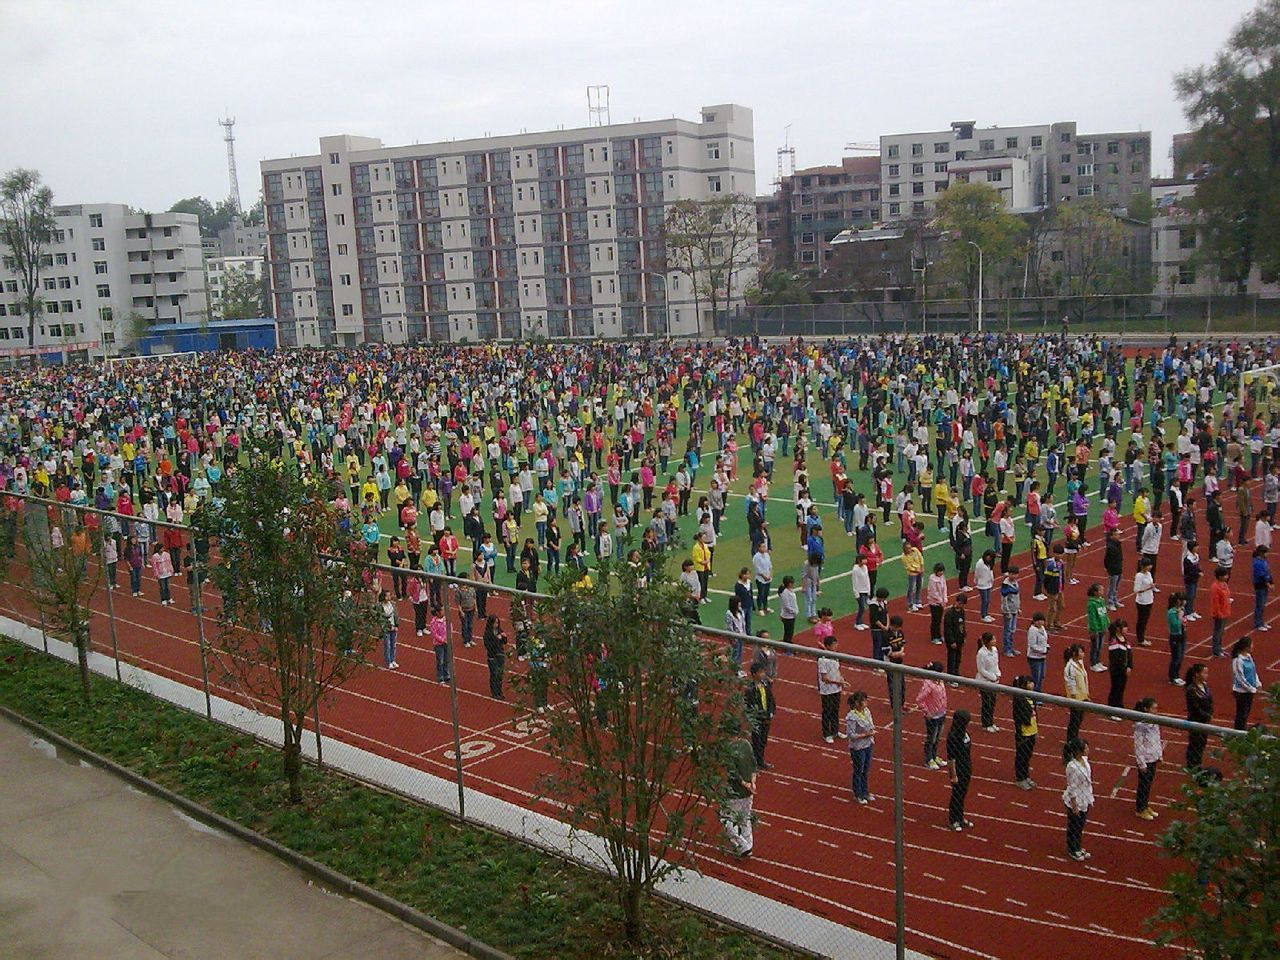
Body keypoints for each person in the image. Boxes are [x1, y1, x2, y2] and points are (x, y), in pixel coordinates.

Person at [721, 733, 757, 858]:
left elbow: (733, 772)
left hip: (735, 791)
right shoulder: (746, 744)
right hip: (749, 791)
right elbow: (753, 763)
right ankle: (749, 844)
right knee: (745, 819)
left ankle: (742, 845)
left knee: (726, 819)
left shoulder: (729, 749)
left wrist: (745, 784)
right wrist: (752, 783)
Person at [1063, 738, 1095, 861]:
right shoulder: (1072, 767)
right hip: (1076, 800)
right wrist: (1074, 805)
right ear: (1079, 752)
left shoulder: (1085, 761)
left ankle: (1078, 846)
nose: (1088, 750)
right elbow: (1072, 787)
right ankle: (1073, 849)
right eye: (1086, 748)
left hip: (1085, 797)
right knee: (1074, 825)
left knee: (1080, 825)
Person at [1133, 697, 1164, 821]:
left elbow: (1157, 738)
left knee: (1148, 784)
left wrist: (1159, 754)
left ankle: (1145, 805)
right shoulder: (1140, 725)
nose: (1156, 710)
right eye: (1153, 708)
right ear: (1146, 709)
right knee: (1143, 785)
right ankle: (1140, 809)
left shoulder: (1155, 721)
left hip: (1153, 757)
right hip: (1145, 759)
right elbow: (1138, 744)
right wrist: (1141, 762)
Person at [915, 664, 949, 770]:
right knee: (931, 738)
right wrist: (927, 711)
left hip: (941, 713)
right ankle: (928, 759)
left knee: (938, 737)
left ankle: (934, 756)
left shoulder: (940, 681)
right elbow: (919, 699)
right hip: (933, 716)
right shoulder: (928, 684)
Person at [946, 710, 974, 832]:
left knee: (962, 794)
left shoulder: (964, 733)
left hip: (966, 767)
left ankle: (960, 817)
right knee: (957, 795)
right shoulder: (953, 736)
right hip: (958, 769)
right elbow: (951, 758)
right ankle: (953, 820)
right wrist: (953, 775)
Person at [746, 661, 776, 769]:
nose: (763, 674)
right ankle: (754, 763)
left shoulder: (765, 684)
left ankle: (760, 761)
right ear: (754, 674)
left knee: (763, 741)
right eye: (761, 672)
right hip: (757, 719)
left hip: (766, 717)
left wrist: (771, 713)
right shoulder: (750, 689)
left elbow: (771, 699)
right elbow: (749, 704)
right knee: (756, 741)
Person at [846, 691, 875, 804]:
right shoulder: (851, 717)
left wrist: (871, 731)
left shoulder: (867, 711)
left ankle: (865, 791)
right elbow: (851, 735)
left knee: (865, 770)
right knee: (859, 770)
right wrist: (865, 735)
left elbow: (871, 724)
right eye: (864, 700)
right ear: (857, 703)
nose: (866, 702)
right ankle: (858, 793)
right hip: (858, 747)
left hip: (868, 744)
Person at [1184, 663, 1213, 770]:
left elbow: (1210, 701)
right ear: (1197, 674)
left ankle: (1198, 762)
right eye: (1204, 673)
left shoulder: (1205, 687)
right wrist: (1206, 715)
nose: (1206, 675)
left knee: (1202, 743)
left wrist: (1210, 713)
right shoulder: (1191, 690)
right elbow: (1194, 707)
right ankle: (1192, 764)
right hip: (1196, 720)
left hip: (1204, 720)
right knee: (1195, 743)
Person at [1011, 675, 1038, 790]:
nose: (1032, 685)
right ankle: (1020, 778)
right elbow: (1018, 716)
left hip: (1032, 730)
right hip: (1024, 732)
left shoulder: (1031, 697)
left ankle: (1026, 776)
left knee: (1028, 756)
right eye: (1029, 683)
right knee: (1022, 756)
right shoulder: (1019, 699)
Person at [817, 635, 845, 743]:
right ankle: (826, 733)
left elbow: (837, 671)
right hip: (827, 690)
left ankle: (835, 730)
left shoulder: (835, 656)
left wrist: (841, 679)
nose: (836, 646)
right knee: (827, 711)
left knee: (835, 711)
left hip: (836, 689)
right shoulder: (822, 660)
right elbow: (824, 678)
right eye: (834, 644)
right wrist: (838, 682)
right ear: (828, 646)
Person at [1231, 636, 1261, 730]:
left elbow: (1253, 670)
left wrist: (1257, 683)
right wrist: (1251, 688)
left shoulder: (1248, 657)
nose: (1252, 646)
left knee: (1246, 713)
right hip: (1240, 691)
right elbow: (1240, 678)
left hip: (1249, 691)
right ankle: (1238, 731)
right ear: (1246, 647)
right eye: (1251, 645)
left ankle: (1242, 729)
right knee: (1241, 714)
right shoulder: (1237, 660)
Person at [1063, 643, 1089, 743]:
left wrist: (1086, 693)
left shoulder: (1080, 663)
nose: (1083, 654)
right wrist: (1073, 697)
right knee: (1075, 719)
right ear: (1074, 653)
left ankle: (1074, 737)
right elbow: (1071, 682)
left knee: (1079, 719)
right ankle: (1071, 739)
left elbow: (1084, 678)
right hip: (1075, 697)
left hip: (1082, 695)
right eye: (1081, 652)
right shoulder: (1070, 667)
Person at [975, 631, 1000, 732]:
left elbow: (996, 663)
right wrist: (992, 677)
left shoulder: (994, 650)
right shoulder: (981, 653)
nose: (995, 641)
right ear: (988, 642)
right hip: (984, 681)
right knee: (987, 703)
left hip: (994, 680)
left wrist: (998, 674)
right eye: (993, 639)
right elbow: (981, 669)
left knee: (992, 702)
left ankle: (991, 721)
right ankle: (985, 724)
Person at [1106, 619, 1133, 712]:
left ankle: (1119, 705)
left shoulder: (1124, 639)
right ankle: (1112, 708)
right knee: (1116, 688)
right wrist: (1124, 668)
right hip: (1117, 671)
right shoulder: (1114, 641)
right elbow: (1115, 659)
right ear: (1118, 629)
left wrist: (1129, 666)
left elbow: (1130, 654)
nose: (1126, 629)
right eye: (1124, 627)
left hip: (1124, 670)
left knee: (1121, 688)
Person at [1209, 567, 1233, 657]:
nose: (1227, 576)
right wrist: (1219, 613)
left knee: (1221, 631)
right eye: (1225, 575)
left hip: (1225, 611)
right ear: (1220, 576)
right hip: (1219, 613)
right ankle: (1216, 650)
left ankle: (1219, 648)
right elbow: (1215, 602)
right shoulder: (1215, 587)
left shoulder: (1224, 584)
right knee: (1218, 631)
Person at [1133, 557, 1156, 647]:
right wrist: (1148, 588)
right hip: (1142, 601)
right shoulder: (1139, 576)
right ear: (1143, 566)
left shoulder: (1149, 574)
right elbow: (1136, 590)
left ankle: (1142, 636)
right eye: (1148, 565)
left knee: (1145, 620)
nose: (1150, 567)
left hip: (1149, 599)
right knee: (1141, 620)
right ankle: (1140, 639)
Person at [483, 614, 506, 699]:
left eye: (497, 623)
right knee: (494, 674)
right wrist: (497, 639)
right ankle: (494, 692)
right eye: (495, 623)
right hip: (492, 656)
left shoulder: (499, 630)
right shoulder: (487, 633)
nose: (496, 624)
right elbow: (488, 645)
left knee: (500, 674)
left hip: (500, 655)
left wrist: (504, 637)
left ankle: (499, 691)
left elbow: (504, 642)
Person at [1000, 565, 1021, 657]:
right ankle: (1007, 649)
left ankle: (1011, 647)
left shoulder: (1016, 583)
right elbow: (1004, 600)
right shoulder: (1006, 585)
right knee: (1008, 631)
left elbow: (1017, 597)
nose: (1014, 576)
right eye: (1012, 574)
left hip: (1014, 610)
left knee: (1012, 630)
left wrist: (1018, 608)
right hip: (1008, 611)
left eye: (1015, 574)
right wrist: (1007, 611)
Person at [1166, 592, 1187, 685]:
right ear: (1178, 601)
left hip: (1182, 635)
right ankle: (1172, 677)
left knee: (1181, 656)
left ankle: (1177, 675)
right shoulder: (1172, 612)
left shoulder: (1181, 609)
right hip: (1175, 636)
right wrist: (1179, 617)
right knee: (1176, 657)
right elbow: (1175, 625)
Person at [1026, 612, 1049, 692]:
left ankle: (1038, 692)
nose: (1040, 622)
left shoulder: (1042, 628)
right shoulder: (1032, 630)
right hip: (1034, 658)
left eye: (1041, 620)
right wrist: (1043, 650)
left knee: (1041, 676)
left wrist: (1047, 646)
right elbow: (1032, 645)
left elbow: (1044, 640)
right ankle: (1035, 694)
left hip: (1042, 657)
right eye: (1038, 620)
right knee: (1036, 678)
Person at [926, 563, 948, 645]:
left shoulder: (942, 578)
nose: (941, 573)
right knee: (935, 620)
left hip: (941, 602)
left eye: (942, 571)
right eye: (940, 571)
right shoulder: (932, 579)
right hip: (934, 603)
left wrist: (945, 599)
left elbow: (944, 588)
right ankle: (934, 637)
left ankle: (938, 635)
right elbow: (933, 592)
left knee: (939, 620)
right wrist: (940, 601)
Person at [1252, 545, 1272, 630]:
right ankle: (1258, 623)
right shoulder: (1257, 563)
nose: (1267, 554)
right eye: (1266, 552)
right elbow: (1261, 575)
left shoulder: (1263, 561)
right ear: (1261, 553)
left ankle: (1261, 622)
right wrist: (1268, 583)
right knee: (1259, 605)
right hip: (1260, 585)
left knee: (1263, 605)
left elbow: (1268, 572)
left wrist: (1271, 581)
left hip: (1264, 585)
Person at [380, 589, 399, 669]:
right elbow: (380, 618)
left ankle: (393, 660)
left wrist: (396, 625)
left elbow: (396, 615)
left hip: (393, 627)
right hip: (386, 628)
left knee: (393, 645)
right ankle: (388, 661)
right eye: (387, 596)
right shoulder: (380, 606)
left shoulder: (392, 604)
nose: (389, 597)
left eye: (389, 595)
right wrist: (387, 627)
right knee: (387, 645)